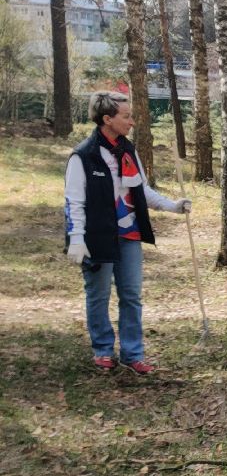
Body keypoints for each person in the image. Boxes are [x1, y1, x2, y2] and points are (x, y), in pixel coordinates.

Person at [63, 91, 192, 374]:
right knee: (98, 294)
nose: (132, 121)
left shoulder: (128, 150)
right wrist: (76, 237)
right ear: (107, 119)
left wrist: (172, 206)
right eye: (126, 116)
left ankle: (133, 354)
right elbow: (74, 201)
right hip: (97, 236)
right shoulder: (83, 156)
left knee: (131, 294)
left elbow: (140, 189)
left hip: (129, 234)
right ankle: (103, 350)